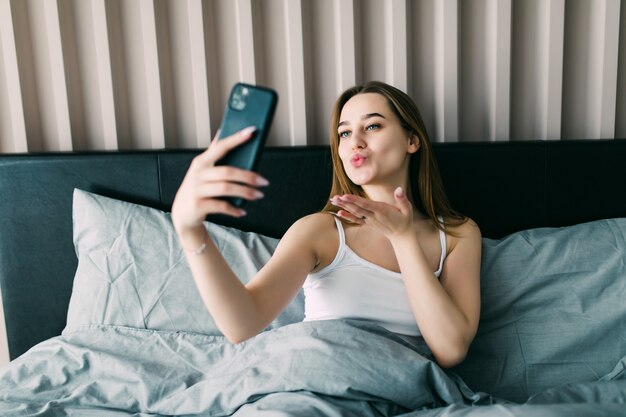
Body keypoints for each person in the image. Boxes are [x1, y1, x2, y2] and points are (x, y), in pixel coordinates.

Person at [171, 81, 482, 368]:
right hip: (316, 379)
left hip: (401, 385)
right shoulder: (319, 231)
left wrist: (403, 239)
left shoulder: (457, 234)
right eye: (344, 133)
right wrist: (190, 231)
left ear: (412, 140)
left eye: (372, 126)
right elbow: (242, 324)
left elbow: (451, 350)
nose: (354, 142)